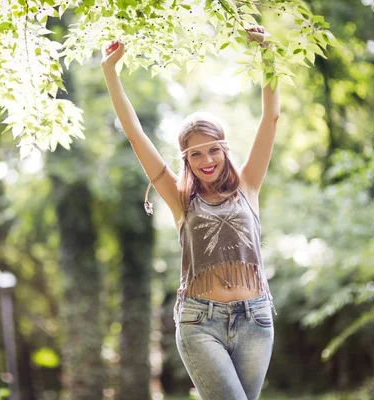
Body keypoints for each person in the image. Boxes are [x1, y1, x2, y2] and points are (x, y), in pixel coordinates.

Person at [101, 25, 279, 400]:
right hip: (200, 322)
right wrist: (110, 73)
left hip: (256, 319)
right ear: (186, 159)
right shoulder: (180, 197)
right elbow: (136, 135)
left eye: (212, 149)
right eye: (194, 154)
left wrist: (267, 52)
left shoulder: (249, 185)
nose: (206, 160)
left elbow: (271, 119)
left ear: (225, 149)